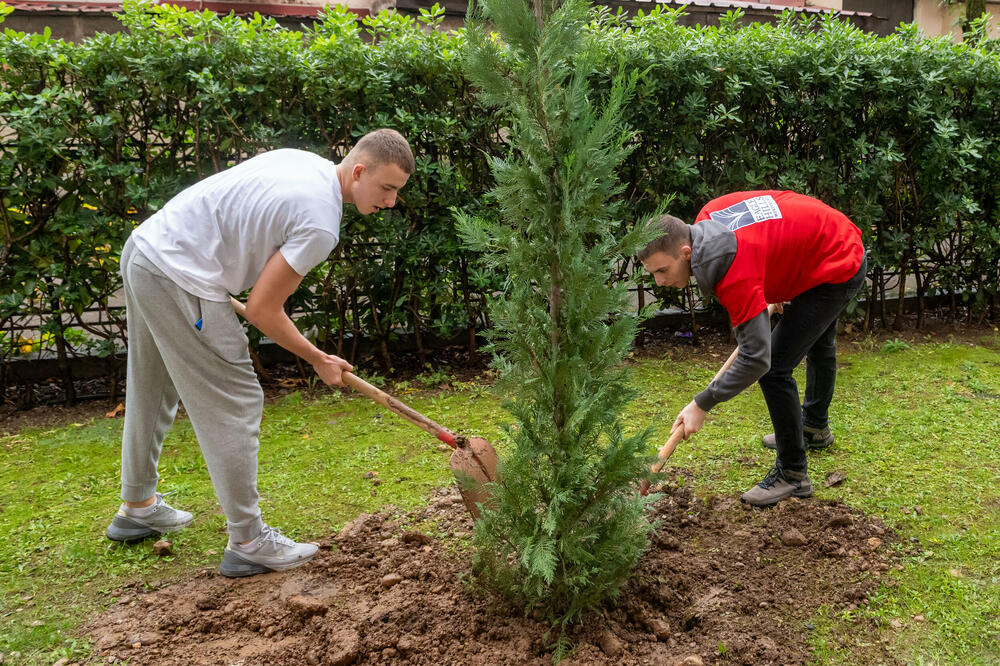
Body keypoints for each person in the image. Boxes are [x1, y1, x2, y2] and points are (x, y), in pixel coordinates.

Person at [106, 129, 414, 576]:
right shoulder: (320, 223)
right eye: (386, 188)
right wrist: (317, 357)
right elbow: (262, 309)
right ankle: (249, 540)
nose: (389, 202)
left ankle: (138, 505)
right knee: (236, 401)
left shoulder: (305, 160)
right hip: (179, 274)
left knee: (152, 383)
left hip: (146, 250)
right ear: (359, 170)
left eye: (397, 193)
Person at [639, 190, 866, 507]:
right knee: (815, 339)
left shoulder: (734, 273)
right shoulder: (708, 215)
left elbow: (756, 358)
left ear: (687, 252)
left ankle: (792, 475)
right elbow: (770, 215)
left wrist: (702, 403)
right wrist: (777, 265)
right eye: (653, 274)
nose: (659, 282)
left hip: (838, 259)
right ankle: (813, 428)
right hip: (825, 237)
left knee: (774, 368)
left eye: (662, 271)